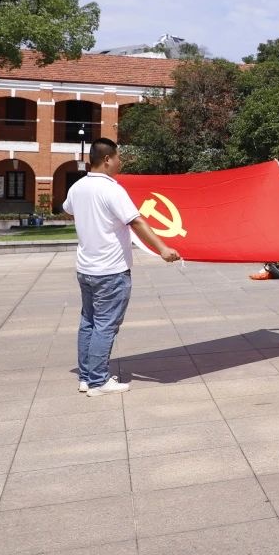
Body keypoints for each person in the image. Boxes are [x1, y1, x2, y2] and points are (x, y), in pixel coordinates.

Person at [64, 138, 180, 396]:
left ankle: (86, 376)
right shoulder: (112, 190)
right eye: (118, 157)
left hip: (86, 268)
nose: (120, 162)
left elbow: (69, 210)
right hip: (110, 270)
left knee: (89, 323)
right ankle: (98, 381)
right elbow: (136, 221)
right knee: (105, 325)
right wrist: (162, 249)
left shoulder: (78, 187)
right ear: (107, 160)